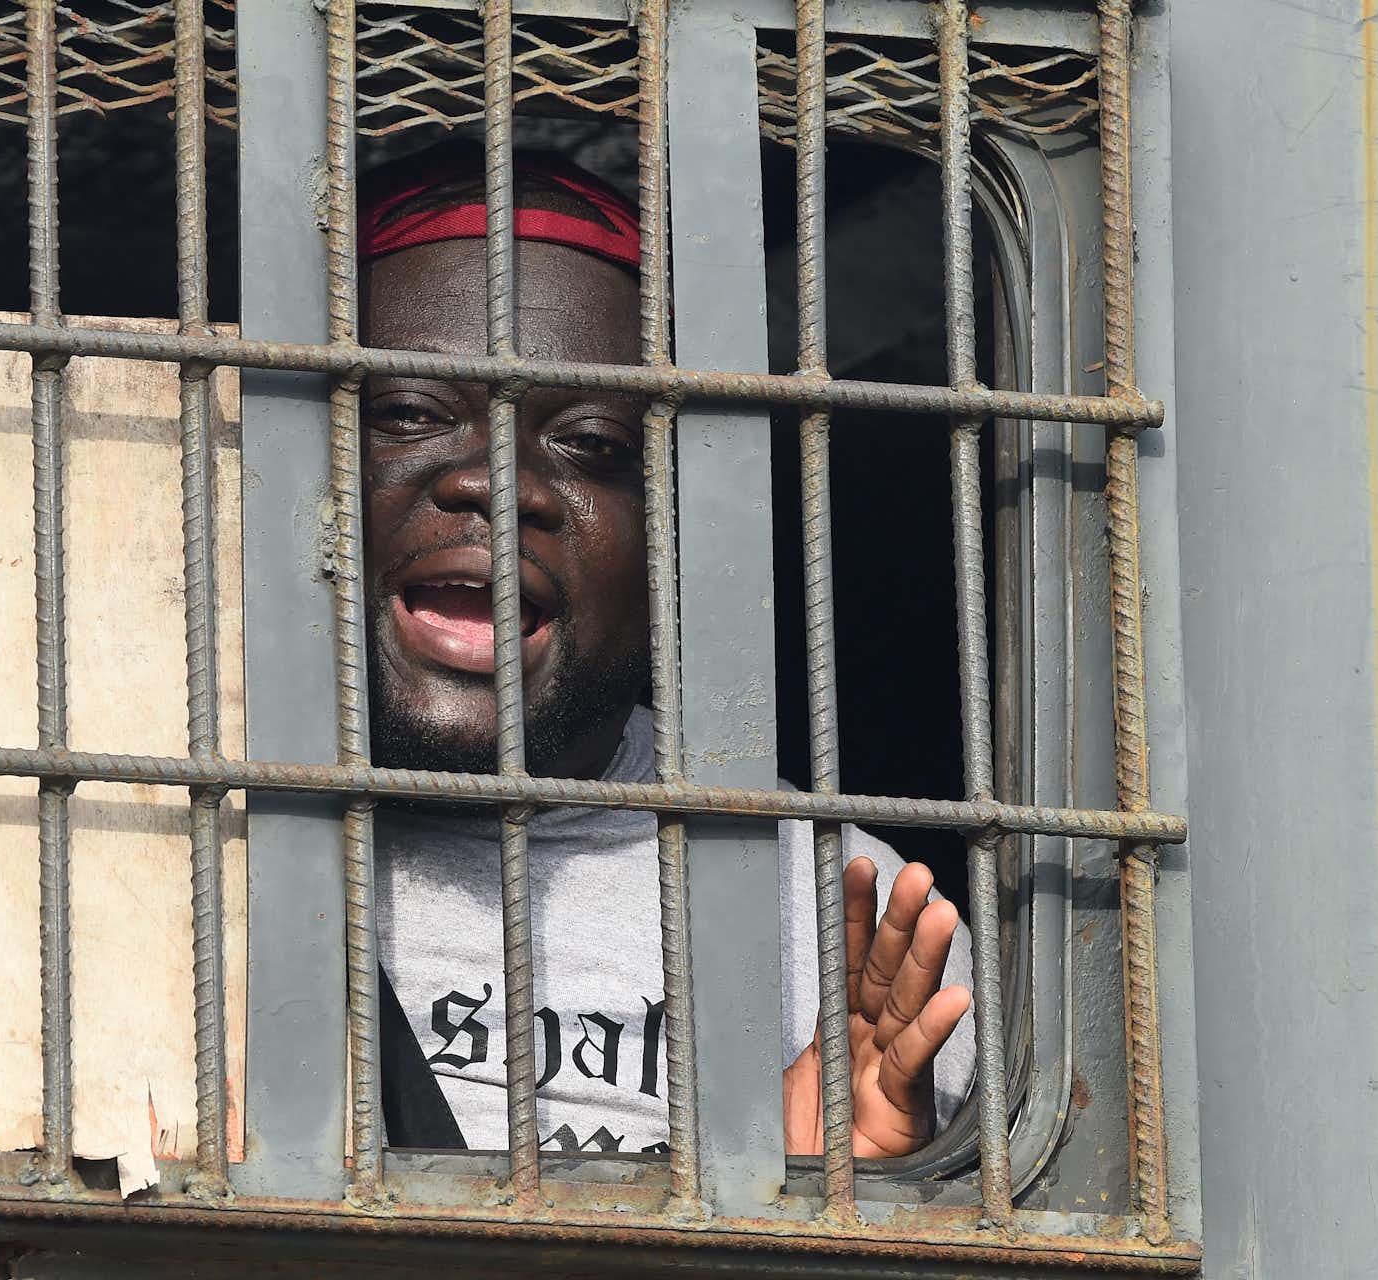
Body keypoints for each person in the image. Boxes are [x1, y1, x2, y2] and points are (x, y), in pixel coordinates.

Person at [362, 143, 974, 1158]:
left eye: (592, 443)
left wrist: (815, 1200)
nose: (500, 485)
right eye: (409, 412)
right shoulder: (155, 843)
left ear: (673, 535)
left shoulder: (832, 910)